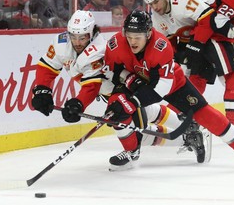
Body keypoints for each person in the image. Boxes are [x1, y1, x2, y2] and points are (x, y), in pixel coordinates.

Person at [31, 10, 206, 171]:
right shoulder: (62, 43)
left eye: (82, 37)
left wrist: (78, 103)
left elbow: (92, 85)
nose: (77, 42)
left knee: (128, 125)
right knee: (139, 120)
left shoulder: (97, 51)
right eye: (74, 37)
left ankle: (138, 151)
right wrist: (42, 90)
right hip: (111, 89)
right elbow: (47, 67)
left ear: (91, 34)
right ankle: (187, 133)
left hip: (122, 86)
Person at [103, 9, 234, 170]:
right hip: (136, 81)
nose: (132, 41)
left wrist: (132, 102)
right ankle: (131, 152)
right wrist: (129, 80)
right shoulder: (116, 43)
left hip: (172, 85)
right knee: (117, 108)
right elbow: (112, 71)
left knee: (208, 117)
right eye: (129, 36)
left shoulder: (161, 46)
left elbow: (161, 89)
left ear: (148, 34)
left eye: (137, 37)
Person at [142, 0, 234, 139]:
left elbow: (213, 17)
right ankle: (173, 118)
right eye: (151, 4)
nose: (155, 7)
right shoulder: (158, 17)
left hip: (206, 36)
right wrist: (177, 55)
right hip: (203, 38)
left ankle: (233, 120)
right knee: (200, 82)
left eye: (156, 1)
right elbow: (170, 42)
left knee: (221, 79)